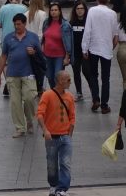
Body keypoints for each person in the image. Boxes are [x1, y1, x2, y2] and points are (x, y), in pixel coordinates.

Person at [0, 11, 40, 138]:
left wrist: (34, 52)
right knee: (15, 102)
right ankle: (20, 127)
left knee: (29, 98)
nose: (17, 27)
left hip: (29, 73)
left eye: (19, 24)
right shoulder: (9, 38)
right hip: (12, 74)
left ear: (25, 24)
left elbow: (40, 56)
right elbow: (3, 56)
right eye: (15, 24)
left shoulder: (33, 37)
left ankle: (30, 120)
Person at [37, 68, 78, 196]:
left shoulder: (70, 97)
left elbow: (72, 116)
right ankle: (53, 185)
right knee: (52, 165)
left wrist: (69, 134)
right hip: (51, 138)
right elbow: (39, 114)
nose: (70, 82)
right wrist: (45, 130)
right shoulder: (47, 95)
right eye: (68, 80)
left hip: (65, 136)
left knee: (65, 163)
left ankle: (62, 189)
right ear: (60, 81)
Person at [83, 0, 120, 113]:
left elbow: (87, 30)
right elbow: (115, 35)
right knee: (106, 78)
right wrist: (112, 46)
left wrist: (85, 48)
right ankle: (104, 105)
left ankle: (95, 99)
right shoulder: (113, 14)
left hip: (93, 47)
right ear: (108, 0)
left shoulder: (92, 11)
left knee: (93, 75)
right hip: (106, 48)